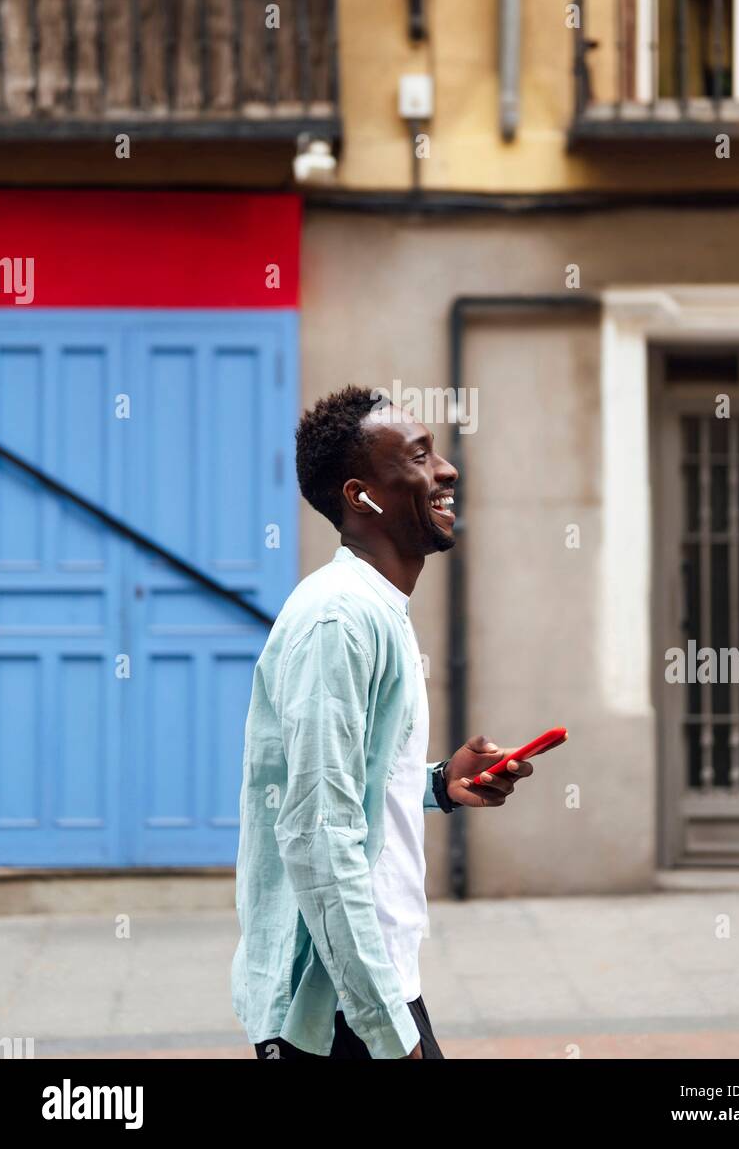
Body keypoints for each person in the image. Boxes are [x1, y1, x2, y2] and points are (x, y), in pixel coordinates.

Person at [231, 384, 536, 1060]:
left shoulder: (375, 609)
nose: (446, 469)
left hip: (373, 983)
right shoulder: (340, 620)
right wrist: (388, 1032)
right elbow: (317, 833)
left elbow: (347, 784)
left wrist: (437, 783)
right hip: (336, 1005)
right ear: (362, 495)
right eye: (421, 455)